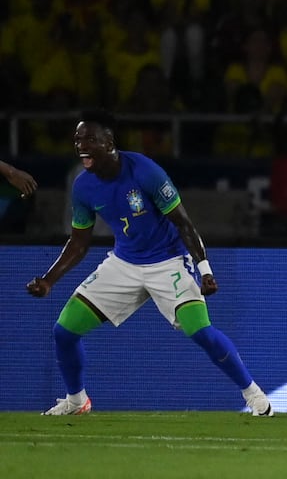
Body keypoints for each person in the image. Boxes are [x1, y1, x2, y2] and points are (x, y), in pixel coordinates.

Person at [25, 110, 273, 417]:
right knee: (64, 331)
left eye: (90, 138)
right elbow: (79, 241)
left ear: (109, 141)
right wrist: (49, 280)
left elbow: (183, 223)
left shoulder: (145, 171)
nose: (81, 145)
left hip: (168, 262)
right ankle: (77, 401)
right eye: (77, 139)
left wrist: (205, 270)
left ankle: (253, 394)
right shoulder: (83, 186)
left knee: (201, 331)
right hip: (124, 263)